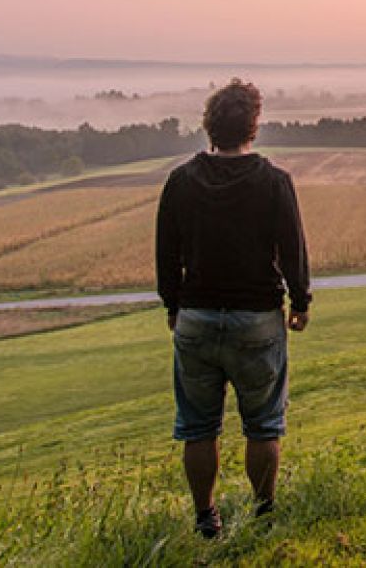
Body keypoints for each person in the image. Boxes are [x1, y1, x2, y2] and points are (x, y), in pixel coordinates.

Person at [155, 79, 310, 538]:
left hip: (196, 318)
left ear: (208, 127)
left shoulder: (180, 181)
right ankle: (264, 515)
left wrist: (173, 307)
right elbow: (293, 250)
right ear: (254, 127)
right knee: (263, 425)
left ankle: (207, 519)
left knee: (198, 427)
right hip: (258, 319)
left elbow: (167, 254)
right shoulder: (275, 182)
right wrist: (300, 302)